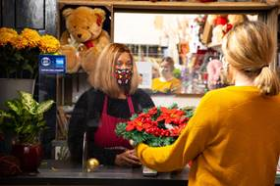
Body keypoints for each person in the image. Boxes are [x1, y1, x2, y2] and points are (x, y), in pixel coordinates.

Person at [136, 21, 280, 186]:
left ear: (228, 61)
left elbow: (173, 159)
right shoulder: (277, 103)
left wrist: (140, 149)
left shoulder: (216, 101)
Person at [68, 43, 155, 167]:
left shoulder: (141, 98)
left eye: (128, 64)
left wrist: (142, 154)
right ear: (107, 67)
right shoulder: (91, 99)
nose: (124, 68)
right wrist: (113, 158)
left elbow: (157, 138)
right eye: (119, 64)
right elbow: (76, 145)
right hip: (100, 176)